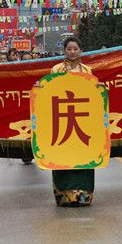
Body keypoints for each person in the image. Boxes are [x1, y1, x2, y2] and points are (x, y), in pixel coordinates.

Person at [49, 36, 96, 206]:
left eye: (75, 49)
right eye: (69, 49)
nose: (72, 52)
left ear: (81, 50)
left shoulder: (88, 70)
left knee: (83, 156)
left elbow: (92, 93)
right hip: (62, 118)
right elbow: (50, 91)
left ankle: (83, 195)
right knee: (63, 155)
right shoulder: (56, 69)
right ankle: (63, 195)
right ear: (64, 50)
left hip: (82, 119)